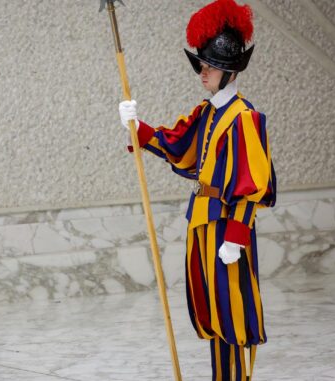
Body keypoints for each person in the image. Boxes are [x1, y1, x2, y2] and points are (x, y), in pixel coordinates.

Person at [118, 0, 276, 379]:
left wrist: (237, 237)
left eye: (210, 66)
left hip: (227, 228)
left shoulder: (245, 119)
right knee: (213, 313)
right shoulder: (207, 113)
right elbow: (177, 146)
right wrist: (137, 127)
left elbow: (252, 186)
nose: (202, 72)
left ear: (229, 71)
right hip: (203, 224)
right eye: (202, 65)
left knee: (234, 317)